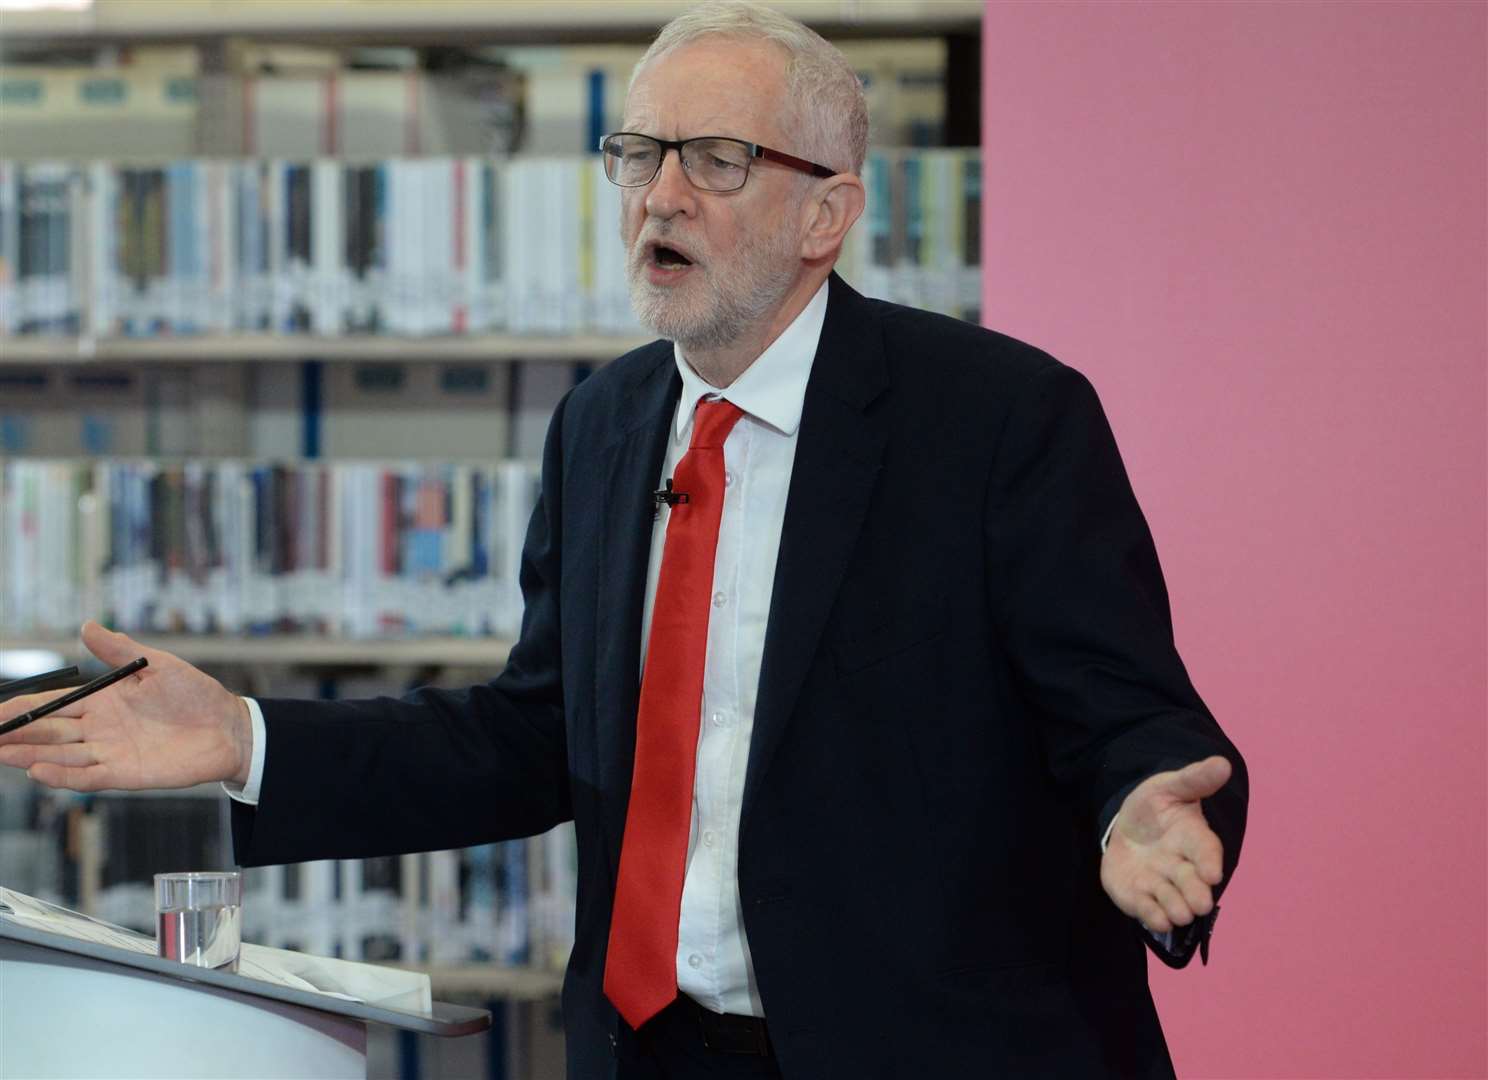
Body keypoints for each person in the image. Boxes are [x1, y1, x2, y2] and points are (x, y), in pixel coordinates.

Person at [0, 3, 1248, 1077]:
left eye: (714, 159)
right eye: (638, 153)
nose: (658, 194)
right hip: (650, 1050)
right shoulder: (604, 424)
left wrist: (1139, 807)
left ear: (828, 214)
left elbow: (1125, 717)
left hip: (925, 1043)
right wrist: (246, 739)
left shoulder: (999, 419)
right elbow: (536, 737)